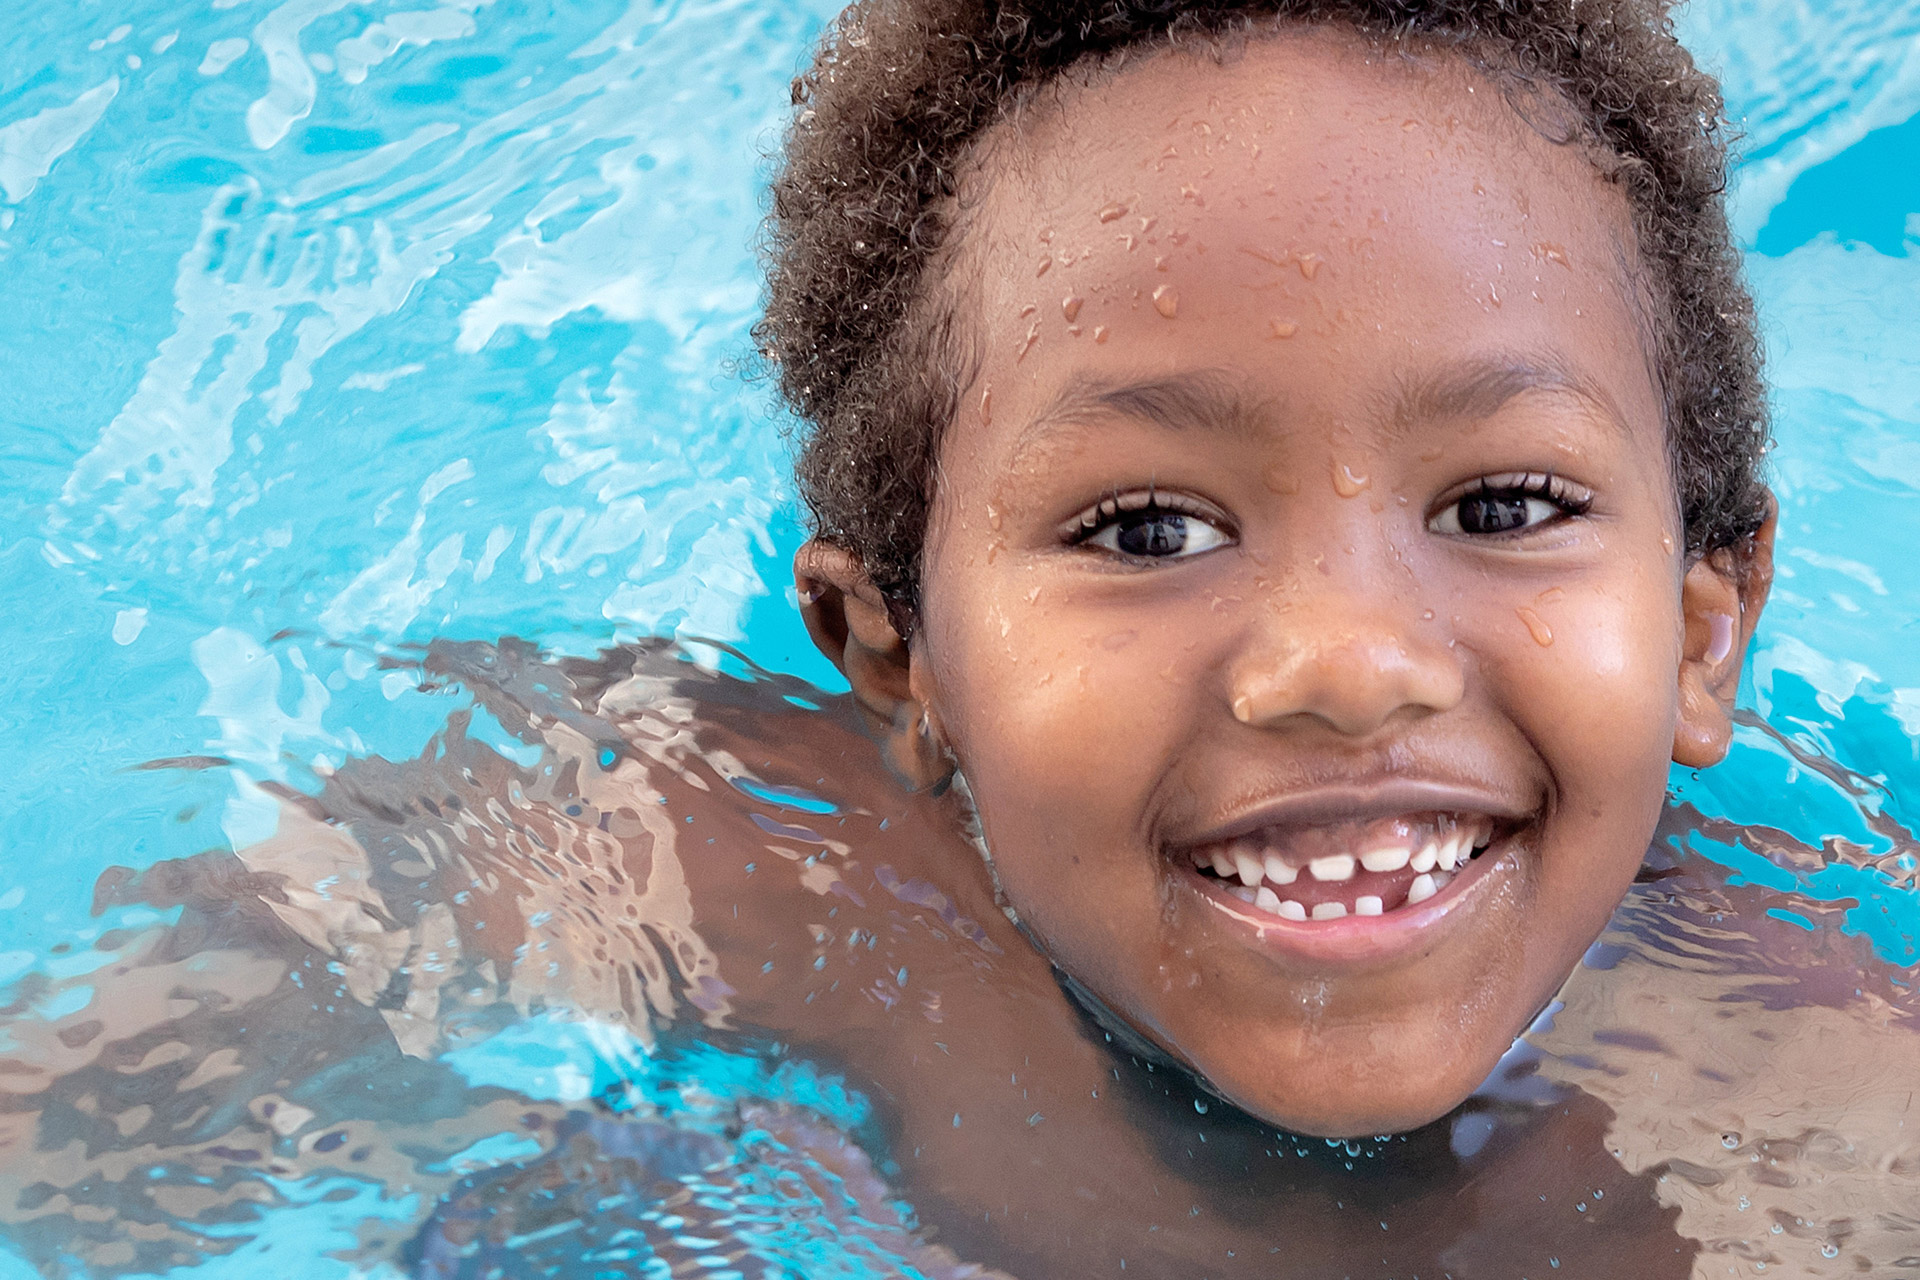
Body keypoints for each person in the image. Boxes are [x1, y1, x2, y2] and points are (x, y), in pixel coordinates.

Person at [13, 2, 1919, 1276]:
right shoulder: (728, 855)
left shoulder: (1830, 1112)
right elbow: (99, 1126)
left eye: (1505, 507)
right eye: (1146, 527)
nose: (1346, 663)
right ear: (897, 652)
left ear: (1704, 627)